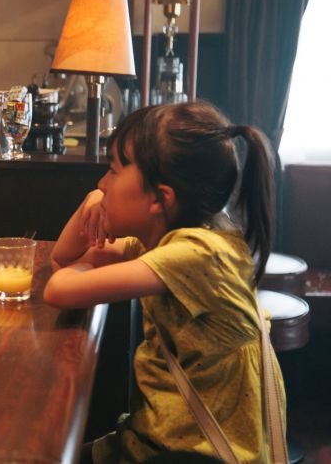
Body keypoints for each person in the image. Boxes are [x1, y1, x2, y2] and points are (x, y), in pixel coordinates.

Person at [43, 101, 285, 463]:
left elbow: (59, 289)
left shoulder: (196, 255)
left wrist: (82, 265)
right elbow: (63, 259)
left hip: (196, 456)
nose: (101, 184)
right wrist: (90, 204)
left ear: (160, 198)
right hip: (159, 443)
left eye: (113, 171)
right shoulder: (171, 241)